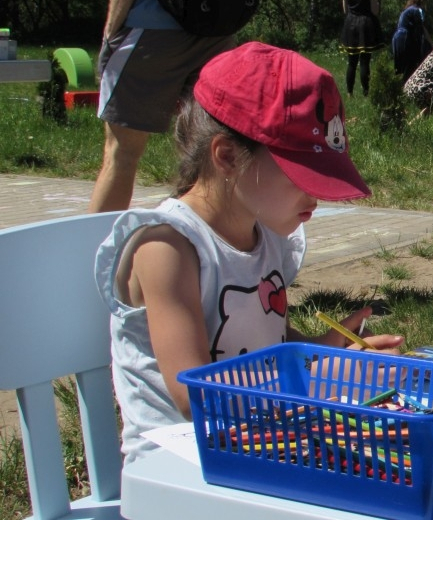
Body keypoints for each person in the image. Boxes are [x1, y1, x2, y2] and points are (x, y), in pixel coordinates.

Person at [95, 42, 405, 465]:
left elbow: (263, 340)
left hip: (262, 443)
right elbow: (194, 395)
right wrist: (313, 377)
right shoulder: (168, 246)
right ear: (227, 157)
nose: (315, 194)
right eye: (302, 176)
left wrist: (320, 348)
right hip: (178, 467)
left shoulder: (266, 232)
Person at [88, 0, 238, 214]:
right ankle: (204, 247)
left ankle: (97, 252)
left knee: (121, 156)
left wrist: (110, 32)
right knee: (209, 157)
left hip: (151, 29)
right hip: (217, 30)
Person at [340, 0, 385, 97]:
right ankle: (366, 91)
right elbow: (375, 11)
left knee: (352, 62)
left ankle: (349, 92)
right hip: (365, 25)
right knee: (365, 61)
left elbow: (345, 10)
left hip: (350, 25)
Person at [392, 0, 432, 81]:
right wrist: (431, 44)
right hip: (406, 37)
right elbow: (422, 28)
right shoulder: (417, 10)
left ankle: (397, 86)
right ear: (422, 1)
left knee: (400, 65)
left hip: (397, 37)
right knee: (410, 64)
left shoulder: (408, 9)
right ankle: (405, 87)